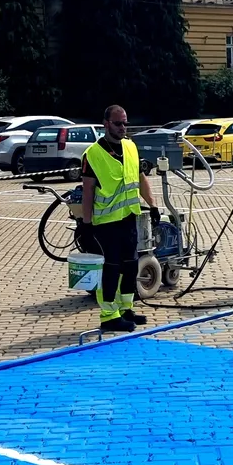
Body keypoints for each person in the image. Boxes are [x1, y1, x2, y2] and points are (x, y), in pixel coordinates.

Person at [80, 105, 160, 333]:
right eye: (118, 123)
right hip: (105, 224)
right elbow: (88, 192)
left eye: (125, 123)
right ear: (106, 124)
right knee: (111, 269)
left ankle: (126, 309)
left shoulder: (130, 147)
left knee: (130, 265)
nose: (123, 127)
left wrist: (153, 205)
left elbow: (140, 177)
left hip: (128, 218)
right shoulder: (93, 154)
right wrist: (86, 224)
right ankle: (108, 315)